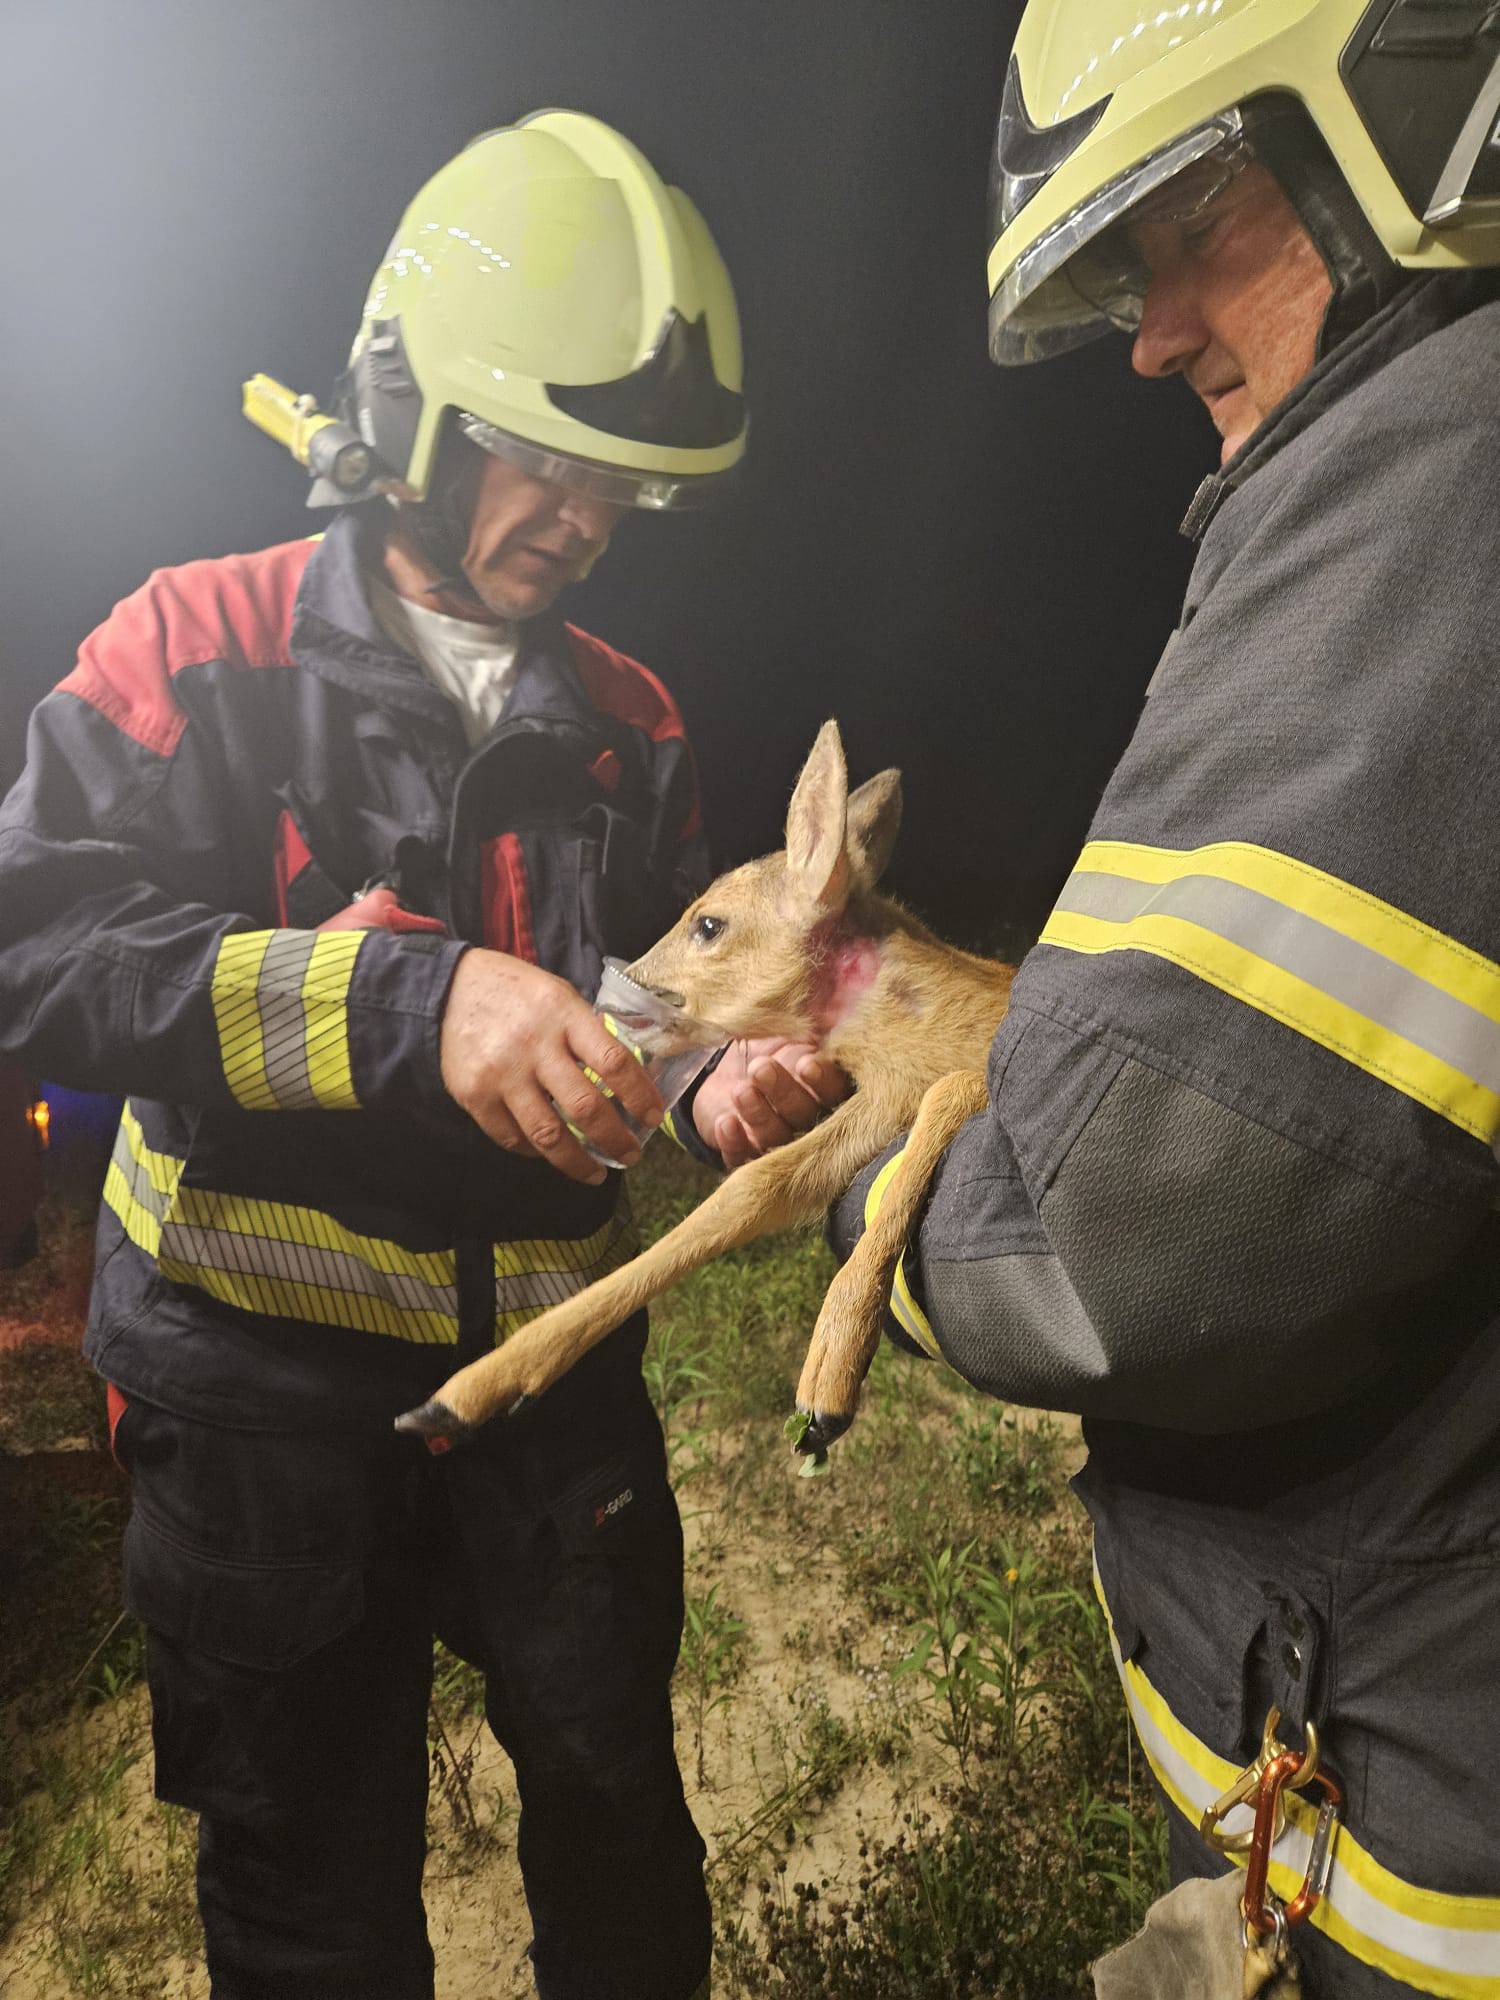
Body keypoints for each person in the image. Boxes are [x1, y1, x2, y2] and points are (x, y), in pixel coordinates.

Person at [0, 111, 845, 2000]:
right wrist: (402, 1005)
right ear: (415, 416)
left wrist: (712, 1085)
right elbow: (33, 942)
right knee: (316, 1904)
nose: (582, 521)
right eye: (543, 461)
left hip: (552, 1397)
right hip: (259, 1416)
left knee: (625, 1837)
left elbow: (648, 989)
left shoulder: (627, 720)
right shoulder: (192, 649)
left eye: (618, 485)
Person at [824, 8, 1500, 1995]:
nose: (1144, 331)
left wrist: (897, 1197)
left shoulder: (1442, 474)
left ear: (1421, 129)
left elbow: (1132, 1223)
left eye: (1190, 216)